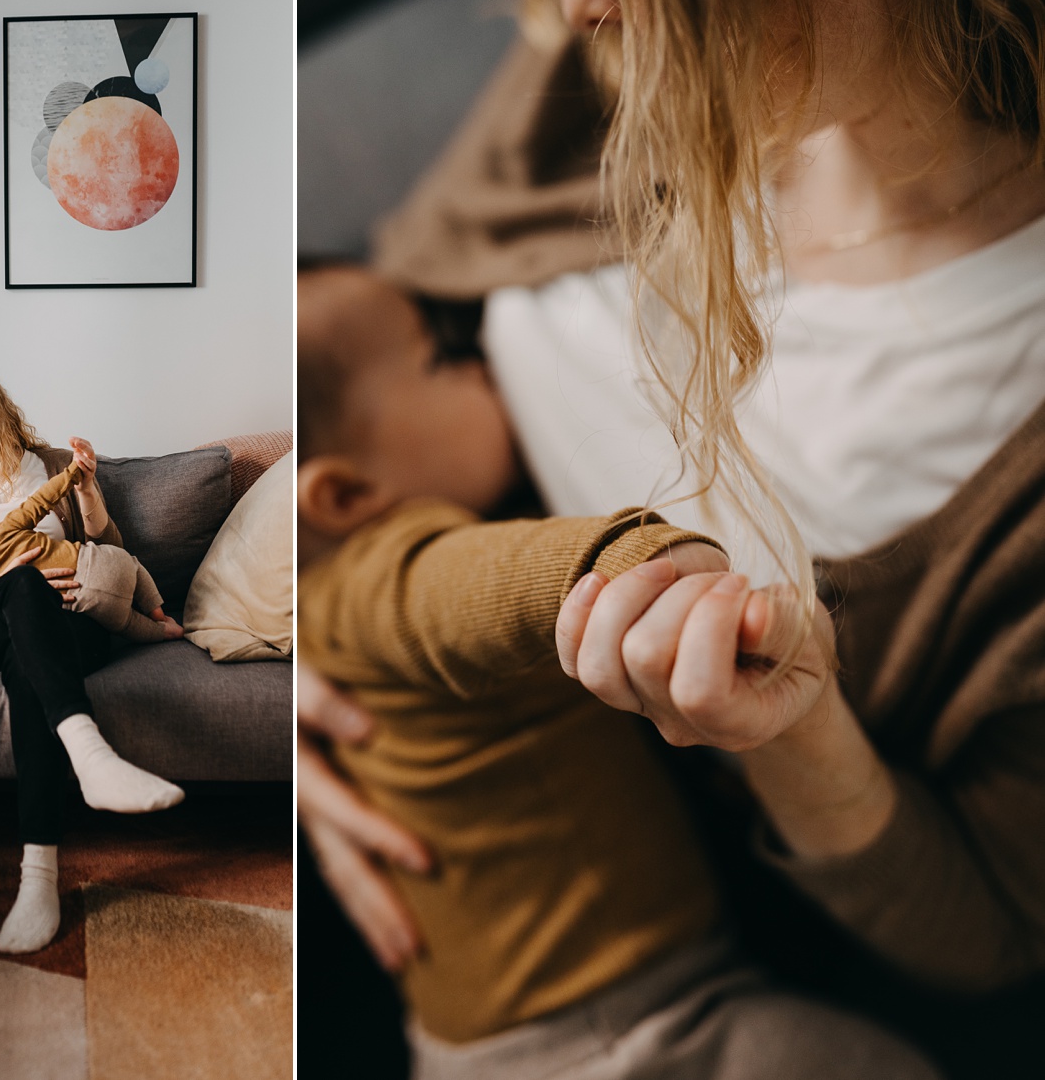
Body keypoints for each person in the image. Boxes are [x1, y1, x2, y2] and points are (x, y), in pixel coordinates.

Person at [300, 0, 1045, 1074]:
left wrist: (796, 739)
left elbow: (995, 929)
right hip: (420, 778)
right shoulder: (615, 56)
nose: (573, 3)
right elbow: (356, 341)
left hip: (684, 983)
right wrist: (298, 638)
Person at [298, 263, 942, 1077]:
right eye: (445, 357)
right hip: (618, 1035)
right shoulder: (386, 573)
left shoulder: (320, 610)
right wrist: (634, 559)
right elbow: (486, 585)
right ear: (348, 494)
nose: (485, 364)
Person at [0, 360, 183, 955]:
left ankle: (39, 878)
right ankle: (91, 757)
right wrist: (6, 583)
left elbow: (110, 554)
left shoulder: (57, 464)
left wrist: (87, 493)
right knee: (25, 587)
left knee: (29, 664)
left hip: (67, 622)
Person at [0, 440, 183, 644]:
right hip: (86, 578)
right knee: (132, 567)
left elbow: (111, 544)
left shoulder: (53, 462)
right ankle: (159, 614)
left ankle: (161, 631)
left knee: (124, 625)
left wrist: (86, 490)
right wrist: (2, 586)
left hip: (75, 605)